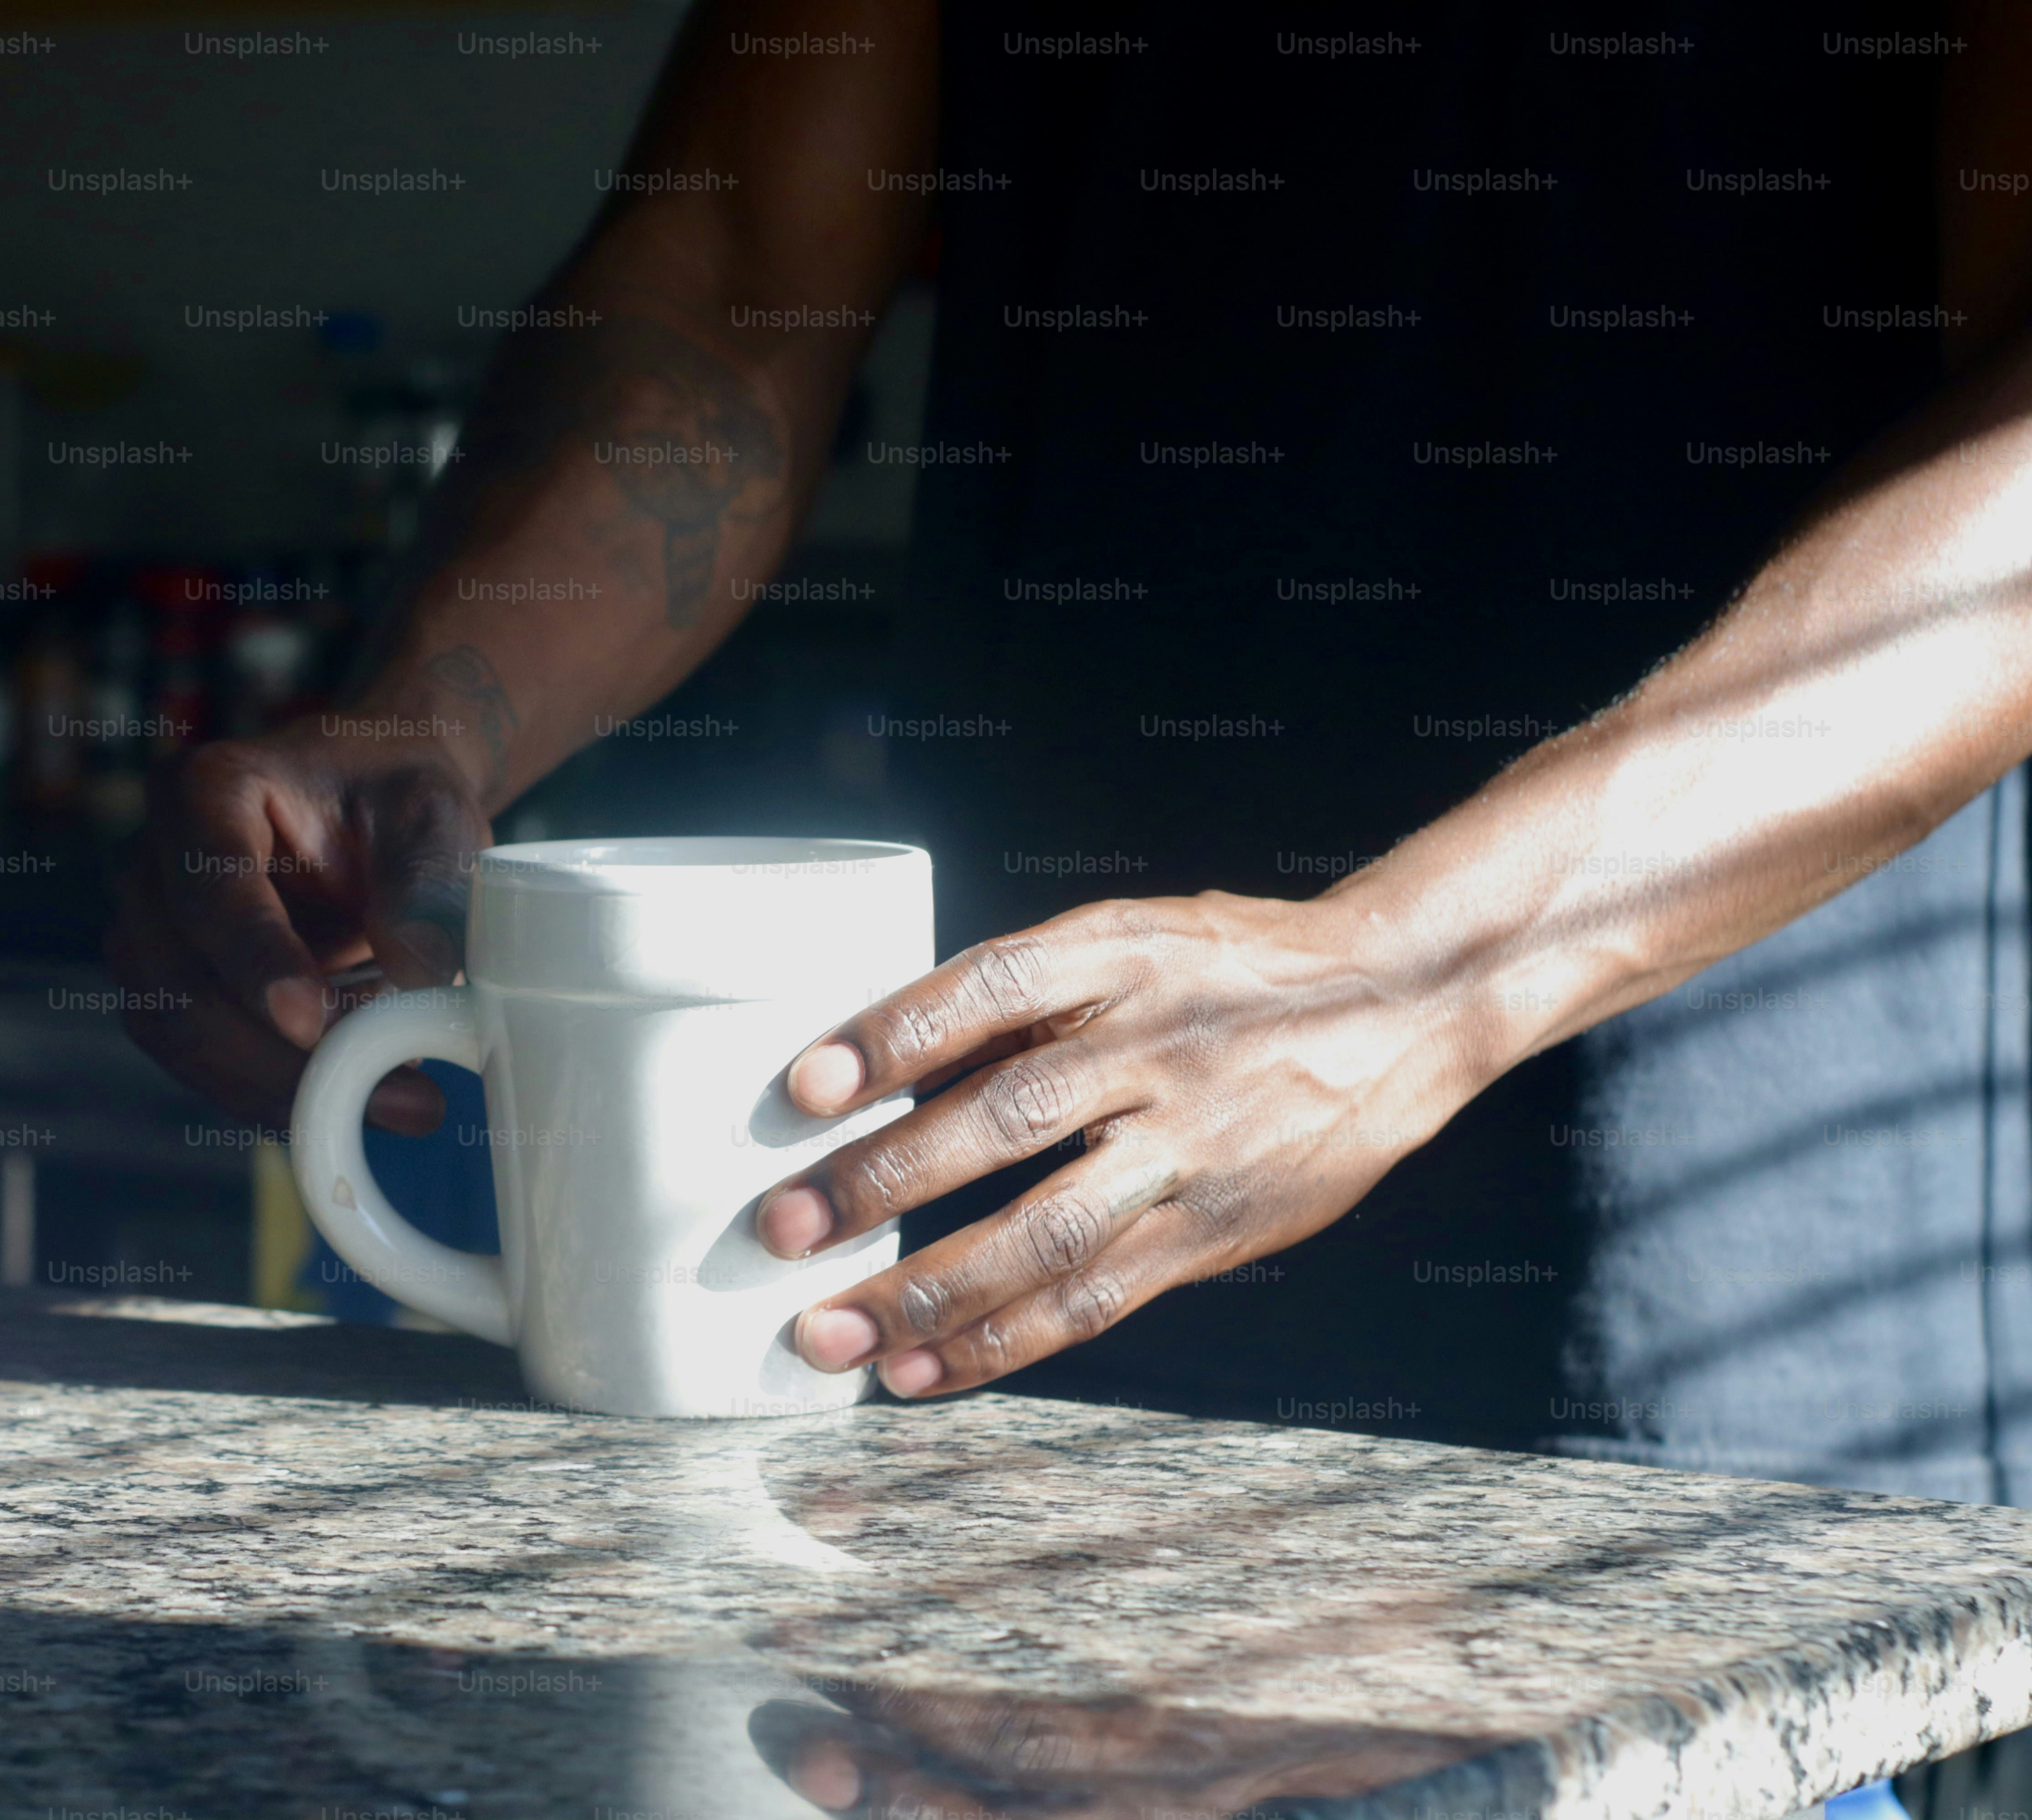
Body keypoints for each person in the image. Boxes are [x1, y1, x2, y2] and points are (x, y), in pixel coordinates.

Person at [111, 0, 2032, 1520]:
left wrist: (1418, 968)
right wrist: (427, 709)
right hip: (1021, 1267)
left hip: (1697, 1290)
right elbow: (738, 264)